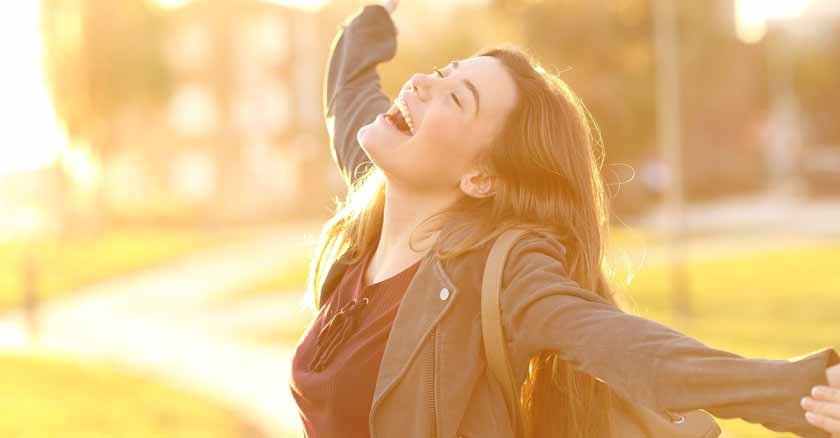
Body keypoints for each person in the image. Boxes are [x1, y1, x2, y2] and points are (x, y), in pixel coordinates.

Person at [289, 1, 840, 437]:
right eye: (440, 72)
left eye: (456, 100)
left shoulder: (500, 272)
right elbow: (349, 91)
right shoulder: (373, 203)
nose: (420, 86)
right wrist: (378, 15)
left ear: (480, 178)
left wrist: (796, 392)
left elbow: (634, 350)